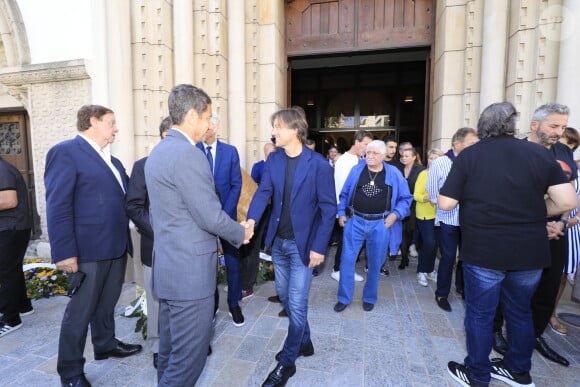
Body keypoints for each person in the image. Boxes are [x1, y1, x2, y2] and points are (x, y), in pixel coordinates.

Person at [442, 102, 577, 387]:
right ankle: (519, 372)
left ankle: (477, 375)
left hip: (484, 251)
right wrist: (535, 211)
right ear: (514, 125)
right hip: (529, 252)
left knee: (479, 314)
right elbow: (567, 202)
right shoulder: (539, 155)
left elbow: (445, 202)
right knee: (520, 311)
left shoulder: (469, 156)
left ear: (482, 126)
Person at [145, 84, 252, 386]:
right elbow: (210, 215)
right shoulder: (189, 155)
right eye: (207, 117)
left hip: (170, 269)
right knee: (188, 362)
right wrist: (240, 232)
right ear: (192, 116)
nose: (210, 124)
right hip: (189, 277)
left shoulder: (160, 151)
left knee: (168, 353)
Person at [45, 105, 142, 387]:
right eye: (111, 122)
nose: (116, 128)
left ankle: (105, 343)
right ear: (93, 121)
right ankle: (71, 371)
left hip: (115, 246)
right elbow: (58, 205)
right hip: (86, 250)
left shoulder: (111, 160)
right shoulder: (65, 152)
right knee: (79, 312)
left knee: (106, 303)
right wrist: (64, 252)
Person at [246, 107, 336, 387]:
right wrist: (250, 220)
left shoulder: (318, 164)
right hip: (279, 243)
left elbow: (328, 208)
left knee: (296, 302)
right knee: (285, 298)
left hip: (304, 246)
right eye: (273, 126)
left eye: (278, 127)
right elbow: (263, 193)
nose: (273, 131)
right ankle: (305, 342)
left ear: (295, 130)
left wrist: (320, 247)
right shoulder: (273, 160)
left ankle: (286, 364)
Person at [334, 140, 412, 313]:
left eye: (375, 153)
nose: (370, 156)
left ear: (383, 156)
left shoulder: (393, 173)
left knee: (376, 262)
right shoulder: (356, 170)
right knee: (346, 260)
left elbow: (406, 199)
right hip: (355, 221)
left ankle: (369, 297)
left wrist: (395, 214)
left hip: (380, 224)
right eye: (368, 152)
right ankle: (344, 298)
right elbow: (344, 193)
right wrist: (341, 213)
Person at [526, 103, 576, 366]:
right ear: (535, 125)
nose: (559, 132)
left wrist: (562, 223)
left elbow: (570, 193)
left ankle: (534, 335)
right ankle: (498, 332)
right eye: (554, 126)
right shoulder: (518, 151)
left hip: (557, 231)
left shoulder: (564, 153)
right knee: (513, 285)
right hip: (523, 229)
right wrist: (536, 220)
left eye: (563, 126)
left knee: (547, 287)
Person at [125, 116, 171, 368]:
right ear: (163, 135)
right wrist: (161, 231)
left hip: (186, 249)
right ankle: (157, 344)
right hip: (155, 244)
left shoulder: (192, 163)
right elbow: (134, 205)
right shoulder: (143, 166)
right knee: (156, 298)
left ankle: (189, 340)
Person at [196, 115, 245, 326]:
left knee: (233, 263)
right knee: (206, 266)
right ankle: (212, 305)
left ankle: (234, 304)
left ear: (215, 126)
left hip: (226, 217)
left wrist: (223, 215)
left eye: (210, 123)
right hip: (201, 221)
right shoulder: (193, 150)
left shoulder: (230, 151)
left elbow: (236, 184)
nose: (207, 127)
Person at [427, 127, 478, 312]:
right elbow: (432, 190)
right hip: (448, 218)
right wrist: (444, 204)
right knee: (448, 257)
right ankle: (442, 293)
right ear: (457, 143)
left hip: (470, 219)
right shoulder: (441, 162)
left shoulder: (476, 162)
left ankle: (462, 287)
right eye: (472, 143)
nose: (475, 147)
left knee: (467, 256)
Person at [331, 130, 373, 282]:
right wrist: (343, 212)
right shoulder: (345, 161)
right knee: (346, 241)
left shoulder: (359, 159)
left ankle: (345, 269)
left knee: (353, 242)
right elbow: (343, 189)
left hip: (358, 210)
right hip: (348, 210)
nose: (368, 148)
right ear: (356, 142)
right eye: (366, 144)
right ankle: (338, 270)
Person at [551, 126, 580, 335]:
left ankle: (552, 313)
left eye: (571, 144)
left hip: (572, 229)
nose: (566, 147)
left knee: (561, 275)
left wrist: (573, 220)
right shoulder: (550, 164)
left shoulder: (576, 171)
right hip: (548, 225)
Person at [0, 156, 33, 338]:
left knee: (6, 272)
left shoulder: (2, 169)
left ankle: (10, 319)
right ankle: (23, 306)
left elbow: (9, 200)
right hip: (13, 227)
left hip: (11, 228)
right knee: (12, 269)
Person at [241, 141, 276, 300]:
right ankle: (246, 282)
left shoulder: (279, 166)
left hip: (273, 209)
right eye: (268, 154)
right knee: (253, 243)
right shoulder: (258, 167)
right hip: (257, 207)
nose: (270, 157)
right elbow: (252, 185)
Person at [414, 149, 444, 286]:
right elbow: (416, 195)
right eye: (431, 158)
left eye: (436, 158)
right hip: (425, 214)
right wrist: (426, 198)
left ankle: (430, 270)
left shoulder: (445, 175)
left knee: (435, 244)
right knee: (429, 243)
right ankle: (421, 271)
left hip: (440, 215)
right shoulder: (423, 174)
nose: (433, 160)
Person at [395, 147, 425, 270]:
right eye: (402, 156)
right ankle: (404, 258)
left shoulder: (421, 170)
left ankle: (408, 253)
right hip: (401, 205)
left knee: (410, 231)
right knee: (402, 232)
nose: (404, 158)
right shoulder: (398, 169)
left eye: (407, 156)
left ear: (414, 157)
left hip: (415, 205)